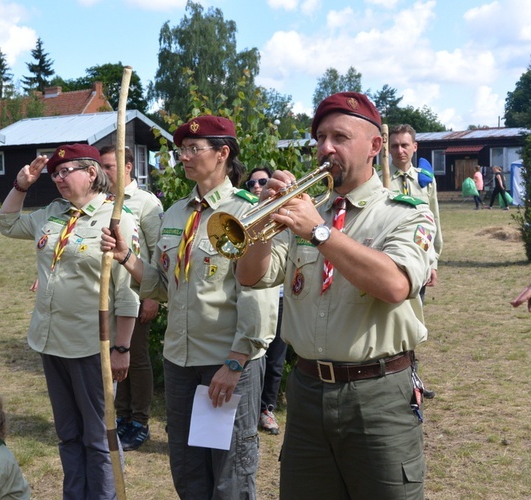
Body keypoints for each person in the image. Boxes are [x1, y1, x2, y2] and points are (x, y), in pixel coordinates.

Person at [235, 92, 436, 498]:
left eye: (340, 137)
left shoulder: (406, 212)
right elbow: (251, 276)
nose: (326, 148)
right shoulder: (307, 211)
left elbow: (395, 283)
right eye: (321, 137)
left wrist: (319, 233)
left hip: (378, 394)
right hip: (307, 391)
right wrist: (261, 219)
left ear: (374, 146)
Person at [101, 115, 276, 499]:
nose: (183, 157)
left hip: (225, 362)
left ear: (222, 154)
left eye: (193, 149)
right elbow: (165, 286)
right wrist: (126, 256)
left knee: (229, 469)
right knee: (187, 466)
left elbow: (256, 291)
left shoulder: (247, 211)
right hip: (179, 361)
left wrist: (235, 362)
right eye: (182, 150)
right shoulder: (176, 213)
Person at [0, 144, 139, 499]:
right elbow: (7, 223)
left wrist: (122, 347)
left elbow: (127, 291)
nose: (58, 178)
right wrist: (21, 185)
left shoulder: (115, 218)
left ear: (91, 173)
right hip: (50, 340)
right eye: (55, 173)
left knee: (98, 436)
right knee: (68, 433)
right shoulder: (53, 213)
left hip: (93, 345)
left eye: (66, 171)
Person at [99, 145, 163, 451]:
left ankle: (139, 420)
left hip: (137, 293)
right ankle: (122, 414)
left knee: (135, 359)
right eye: (101, 166)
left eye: (109, 166)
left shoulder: (145, 202)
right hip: (108, 297)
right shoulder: (102, 202)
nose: (103, 172)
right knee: (116, 357)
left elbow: (159, 250)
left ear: (127, 167)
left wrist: (153, 298)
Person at [245, 167, 286, 436]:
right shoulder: (246, 212)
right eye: (253, 182)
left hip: (280, 296)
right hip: (254, 294)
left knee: (275, 359)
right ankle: (249, 409)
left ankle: (267, 408)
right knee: (253, 357)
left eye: (263, 181)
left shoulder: (284, 210)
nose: (258, 186)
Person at [389, 124, 442, 298]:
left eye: (404, 145)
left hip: (420, 259)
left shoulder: (426, 180)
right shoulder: (379, 180)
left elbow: (434, 219)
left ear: (414, 146)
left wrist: (433, 263)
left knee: (417, 317)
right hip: (390, 260)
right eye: (394, 146)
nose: (400, 150)